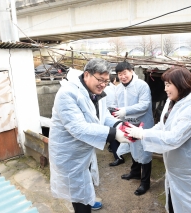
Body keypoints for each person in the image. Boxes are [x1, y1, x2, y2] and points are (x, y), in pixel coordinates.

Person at [125, 66, 191, 212]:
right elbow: (162, 126)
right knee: (175, 203)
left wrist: (143, 134)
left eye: (168, 85)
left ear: (181, 84)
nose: (165, 89)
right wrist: (142, 132)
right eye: (165, 84)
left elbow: (174, 137)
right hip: (178, 168)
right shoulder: (172, 102)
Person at [48, 58, 131, 213]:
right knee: (78, 194)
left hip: (84, 150)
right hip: (70, 155)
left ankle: (88, 201)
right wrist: (114, 134)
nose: (103, 84)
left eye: (106, 81)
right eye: (100, 80)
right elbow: (78, 128)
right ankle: (84, 206)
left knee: (86, 185)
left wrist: (119, 125)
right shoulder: (67, 94)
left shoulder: (94, 92)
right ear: (87, 74)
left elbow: (103, 115)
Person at [114, 61, 154, 196]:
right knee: (132, 146)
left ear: (132, 71)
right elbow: (116, 105)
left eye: (124, 73)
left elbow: (144, 105)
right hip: (128, 124)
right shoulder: (118, 88)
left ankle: (145, 182)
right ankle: (135, 172)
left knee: (144, 151)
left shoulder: (141, 85)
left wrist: (125, 110)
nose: (122, 76)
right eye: (120, 74)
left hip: (143, 124)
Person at [104, 71, 125, 166]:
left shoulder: (106, 89)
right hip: (116, 112)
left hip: (111, 112)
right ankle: (117, 152)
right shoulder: (116, 88)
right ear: (115, 79)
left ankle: (118, 156)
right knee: (116, 133)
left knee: (112, 134)